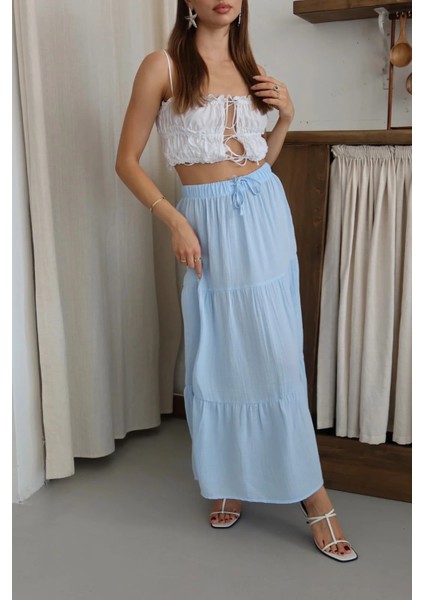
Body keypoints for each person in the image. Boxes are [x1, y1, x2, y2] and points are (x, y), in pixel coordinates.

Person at [115, 0, 357, 563]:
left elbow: (259, 163)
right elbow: (126, 160)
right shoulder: (162, 66)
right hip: (206, 221)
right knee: (219, 352)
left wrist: (286, 119)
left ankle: (314, 496)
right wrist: (176, 220)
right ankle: (228, 474)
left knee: (276, 354)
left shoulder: (253, 70)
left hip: (264, 214)